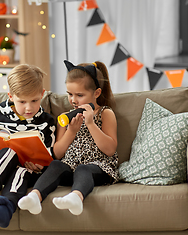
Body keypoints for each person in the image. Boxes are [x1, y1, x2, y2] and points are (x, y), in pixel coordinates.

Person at [18, 60, 119, 216]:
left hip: (98, 167)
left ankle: (76, 197)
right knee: (57, 165)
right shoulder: (65, 117)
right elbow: (57, 154)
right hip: (70, 166)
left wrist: (91, 124)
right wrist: (71, 131)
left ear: (96, 93)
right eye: (70, 94)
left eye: (79, 95)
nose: (73, 100)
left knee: (83, 169)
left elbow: (110, 150)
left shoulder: (105, 113)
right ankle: (35, 197)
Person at [0, 64, 56, 227]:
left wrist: (40, 165)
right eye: (22, 101)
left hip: (29, 171)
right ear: (10, 96)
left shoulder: (47, 122)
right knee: (9, 151)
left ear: (42, 94)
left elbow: (50, 154)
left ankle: (7, 208)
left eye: (34, 100)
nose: (29, 107)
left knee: (23, 169)